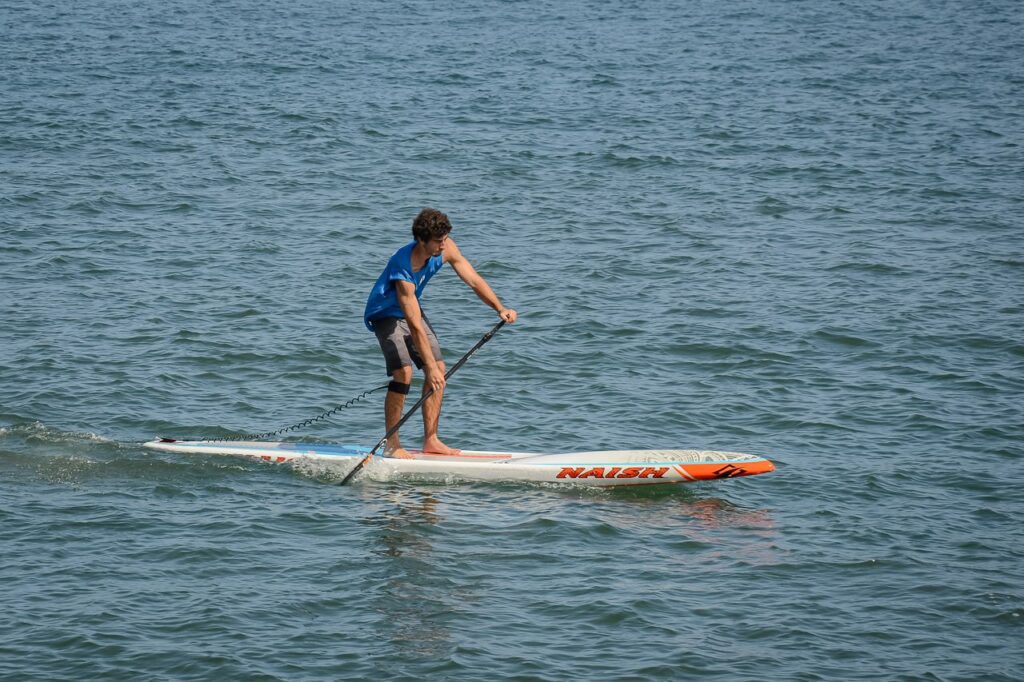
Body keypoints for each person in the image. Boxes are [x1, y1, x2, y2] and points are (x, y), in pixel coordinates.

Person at [364, 208, 517, 458]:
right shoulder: (403, 268)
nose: (443, 245)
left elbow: (473, 280)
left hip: (411, 311)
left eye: (445, 239)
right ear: (421, 240)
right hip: (385, 314)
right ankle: (392, 444)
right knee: (404, 373)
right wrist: (430, 368)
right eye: (438, 241)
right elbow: (414, 324)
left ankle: (431, 440)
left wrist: (499, 308)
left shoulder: (446, 247)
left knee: (439, 368)